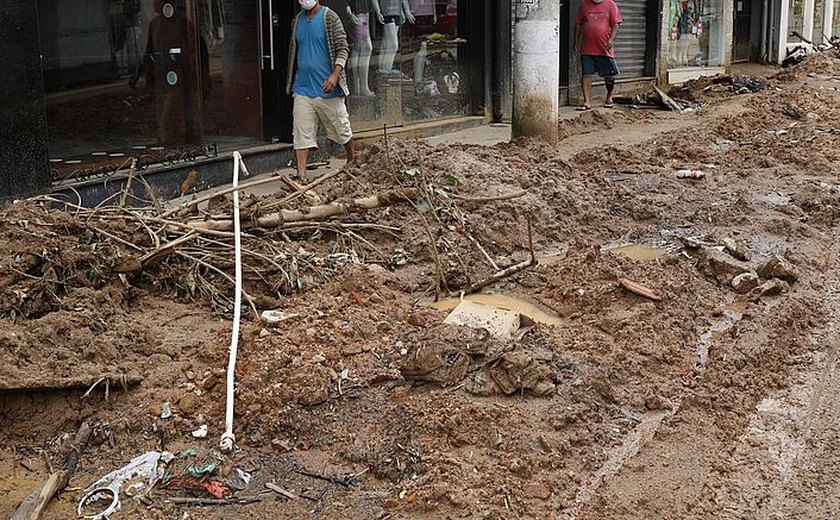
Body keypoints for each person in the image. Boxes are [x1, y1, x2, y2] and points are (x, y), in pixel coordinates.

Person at [286, 0, 355, 179]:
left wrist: (334, 75)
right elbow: (295, 52)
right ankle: (301, 175)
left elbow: (343, 49)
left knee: (342, 128)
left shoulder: (330, 17)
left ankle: (352, 159)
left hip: (327, 88)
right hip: (302, 87)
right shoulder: (297, 21)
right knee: (301, 131)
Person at [574, 0, 622, 110]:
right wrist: (576, 41)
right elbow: (578, 24)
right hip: (587, 48)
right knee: (586, 74)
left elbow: (616, 24)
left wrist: (611, 40)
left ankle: (609, 96)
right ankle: (586, 101)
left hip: (604, 47)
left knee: (609, 75)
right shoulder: (584, 4)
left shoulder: (610, 4)